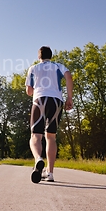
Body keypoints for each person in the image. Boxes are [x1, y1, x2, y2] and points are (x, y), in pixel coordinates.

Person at [25, 46, 73, 183]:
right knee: (51, 136)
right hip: (56, 101)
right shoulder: (58, 66)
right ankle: (50, 173)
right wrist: (69, 98)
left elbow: (29, 91)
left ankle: (38, 159)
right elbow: (69, 77)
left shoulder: (33, 68)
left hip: (39, 100)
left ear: (39, 56)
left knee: (36, 135)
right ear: (50, 56)